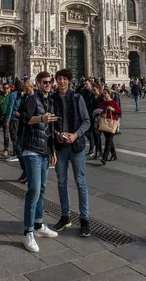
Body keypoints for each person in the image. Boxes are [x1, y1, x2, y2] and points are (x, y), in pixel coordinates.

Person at [22, 71, 58, 253]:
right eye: (45, 82)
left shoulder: (48, 100)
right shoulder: (32, 99)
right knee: (34, 190)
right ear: (37, 83)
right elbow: (25, 119)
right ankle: (28, 231)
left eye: (50, 82)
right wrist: (41, 118)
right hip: (32, 150)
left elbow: (49, 128)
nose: (48, 85)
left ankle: (38, 225)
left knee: (42, 189)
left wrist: (52, 150)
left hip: (44, 150)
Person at [52, 69, 91, 237]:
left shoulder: (77, 98)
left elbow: (87, 120)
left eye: (64, 79)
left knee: (80, 182)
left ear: (69, 81)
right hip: (60, 147)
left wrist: (75, 135)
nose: (62, 82)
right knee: (61, 183)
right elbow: (50, 121)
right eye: (59, 79)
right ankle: (65, 216)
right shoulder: (52, 100)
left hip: (77, 146)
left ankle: (84, 219)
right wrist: (55, 134)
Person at [16, 79, 35, 183]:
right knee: (18, 149)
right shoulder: (24, 97)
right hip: (22, 127)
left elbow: (31, 115)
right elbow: (21, 109)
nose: (25, 90)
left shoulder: (35, 99)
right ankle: (26, 171)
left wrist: (21, 115)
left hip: (29, 129)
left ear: (31, 87)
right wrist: (18, 114)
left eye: (26, 88)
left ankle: (28, 172)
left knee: (22, 150)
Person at [98, 88, 121, 165]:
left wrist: (113, 109)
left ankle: (104, 158)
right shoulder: (101, 103)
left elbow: (119, 112)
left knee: (108, 140)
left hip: (112, 124)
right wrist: (102, 114)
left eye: (105, 93)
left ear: (109, 94)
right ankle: (114, 155)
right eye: (103, 93)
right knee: (109, 140)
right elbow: (98, 112)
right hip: (104, 124)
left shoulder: (114, 103)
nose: (103, 95)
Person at [6, 79, 23, 160]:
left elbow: (10, 108)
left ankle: (16, 153)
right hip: (21, 118)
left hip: (14, 118)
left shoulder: (13, 95)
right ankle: (18, 152)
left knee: (14, 137)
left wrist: (7, 120)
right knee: (19, 136)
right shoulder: (23, 94)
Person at [81, 79, 95, 157]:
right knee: (86, 132)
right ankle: (93, 147)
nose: (85, 86)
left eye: (86, 84)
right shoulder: (84, 93)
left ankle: (92, 148)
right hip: (84, 115)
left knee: (89, 132)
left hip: (90, 115)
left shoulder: (93, 93)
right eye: (84, 84)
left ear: (91, 84)